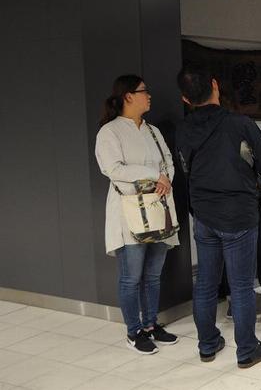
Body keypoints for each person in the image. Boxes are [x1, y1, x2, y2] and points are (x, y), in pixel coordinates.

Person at [175, 66, 261, 368]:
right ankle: (247, 350)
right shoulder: (239, 124)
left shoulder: (183, 129)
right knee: (241, 286)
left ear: (185, 98)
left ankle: (207, 345)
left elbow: (184, 168)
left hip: (203, 214)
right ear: (215, 85)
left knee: (205, 282)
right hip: (239, 213)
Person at [95, 75, 180, 355]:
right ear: (128, 96)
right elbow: (113, 169)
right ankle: (134, 331)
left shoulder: (153, 130)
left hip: (158, 209)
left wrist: (165, 179)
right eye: (145, 91)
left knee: (153, 275)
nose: (149, 95)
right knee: (131, 277)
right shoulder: (110, 132)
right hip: (129, 213)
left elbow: (168, 161)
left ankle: (151, 324)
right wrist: (154, 175)